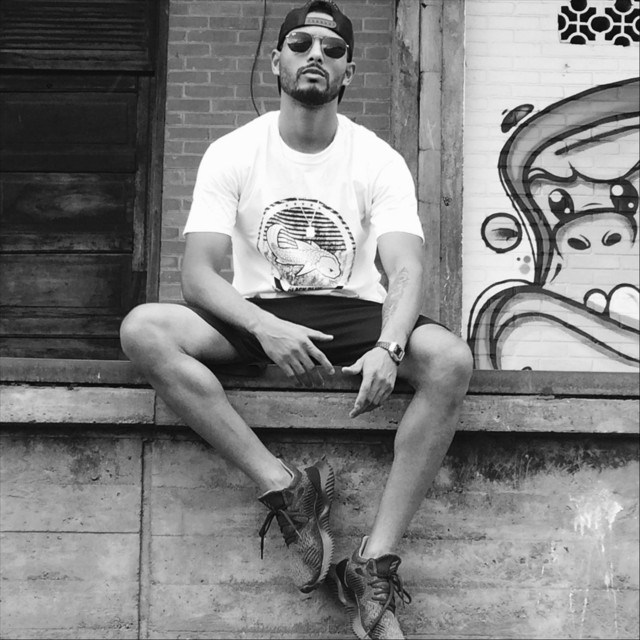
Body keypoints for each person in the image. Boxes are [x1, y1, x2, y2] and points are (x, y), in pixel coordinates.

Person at [120, 1, 473, 637]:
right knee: (144, 328)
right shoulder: (233, 152)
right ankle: (288, 489)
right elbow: (198, 274)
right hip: (259, 313)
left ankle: (372, 564)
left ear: (348, 72)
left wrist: (391, 346)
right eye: (302, 44)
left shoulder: (378, 158)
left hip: (355, 314)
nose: (316, 55)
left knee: (449, 360)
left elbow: (406, 266)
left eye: (332, 50)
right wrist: (263, 326)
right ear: (277, 60)